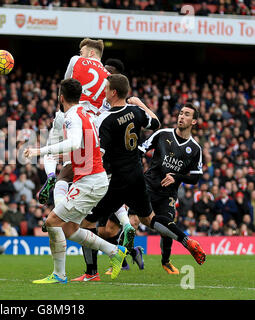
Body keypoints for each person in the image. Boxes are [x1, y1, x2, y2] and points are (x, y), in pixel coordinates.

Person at [74, 75, 205, 282]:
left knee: (87, 222)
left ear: (113, 92)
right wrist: (140, 104)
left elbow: (100, 154)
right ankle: (185, 240)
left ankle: (92, 272)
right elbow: (155, 122)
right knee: (149, 219)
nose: (105, 92)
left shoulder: (105, 119)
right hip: (137, 177)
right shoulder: (135, 112)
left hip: (118, 179)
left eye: (107, 88)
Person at [24, 78, 127, 284]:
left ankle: (59, 275)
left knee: (52, 222)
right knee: (69, 229)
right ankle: (114, 251)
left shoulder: (72, 117)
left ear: (61, 98)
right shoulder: (85, 114)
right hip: (92, 179)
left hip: (89, 181)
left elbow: (72, 143)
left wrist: (39, 151)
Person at [39, 38, 111, 207]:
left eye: (82, 51)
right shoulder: (110, 77)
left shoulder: (76, 60)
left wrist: (61, 110)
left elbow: (66, 85)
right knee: (73, 167)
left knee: (52, 153)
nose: (81, 54)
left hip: (71, 114)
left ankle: (50, 176)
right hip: (91, 124)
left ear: (91, 52)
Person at [137, 103, 204, 274]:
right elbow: (139, 151)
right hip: (148, 186)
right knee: (133, 221)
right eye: (180, 113)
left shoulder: (195, 149)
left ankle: (166, 262)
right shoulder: (162, 134)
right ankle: (120, 260)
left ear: (194, 121)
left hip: (168, 193)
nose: (181, 116)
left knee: (167, 228)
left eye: (187, 114)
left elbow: (195, 178)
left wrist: (177, 176)